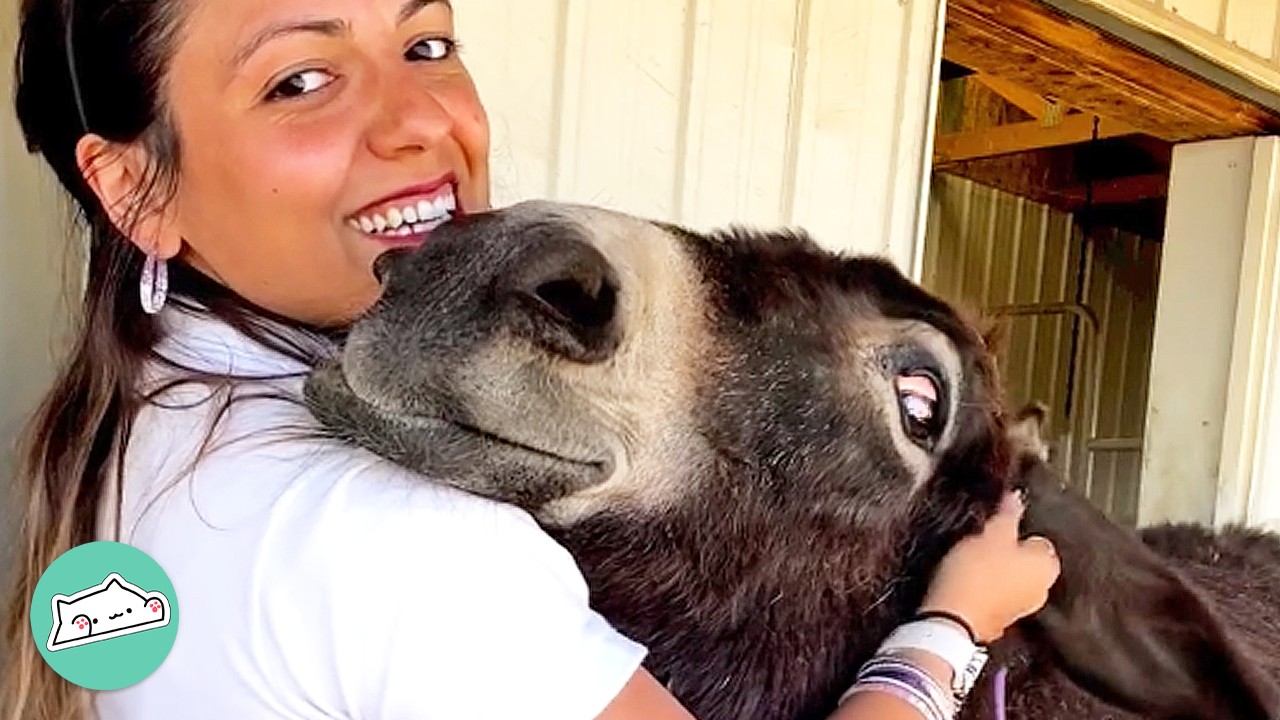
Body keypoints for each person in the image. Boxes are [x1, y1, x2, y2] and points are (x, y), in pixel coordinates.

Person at [0, 1, 1061, 719]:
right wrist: (949, 626)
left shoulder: (137, 416)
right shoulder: (399, 540)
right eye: (302, 79)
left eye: (424, 46)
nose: (423, 122)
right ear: (135, 188)